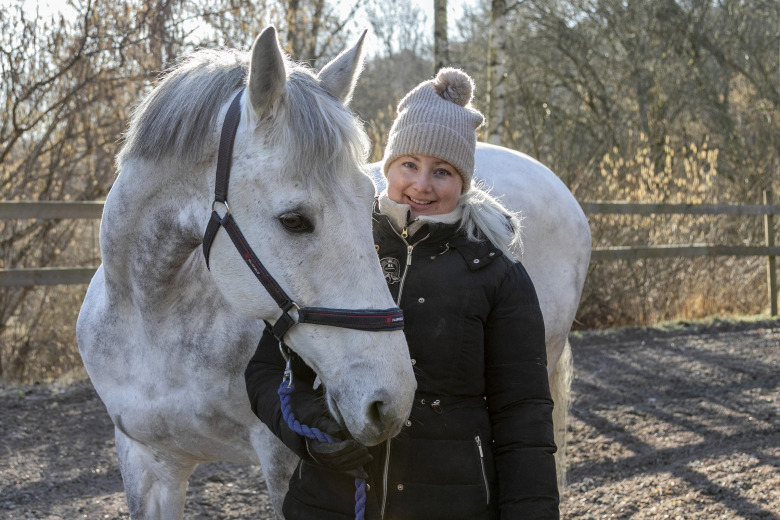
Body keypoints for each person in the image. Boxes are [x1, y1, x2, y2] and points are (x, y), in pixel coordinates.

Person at [245, 68, 559, 519]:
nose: (421, 185)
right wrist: (311, 435)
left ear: (464, 181)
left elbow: (523, 415)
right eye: (409, 164)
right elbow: (266, 370)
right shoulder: (337, 249)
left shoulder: (496, 274)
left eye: (442, 171)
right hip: (331, 503)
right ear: (387, 167)